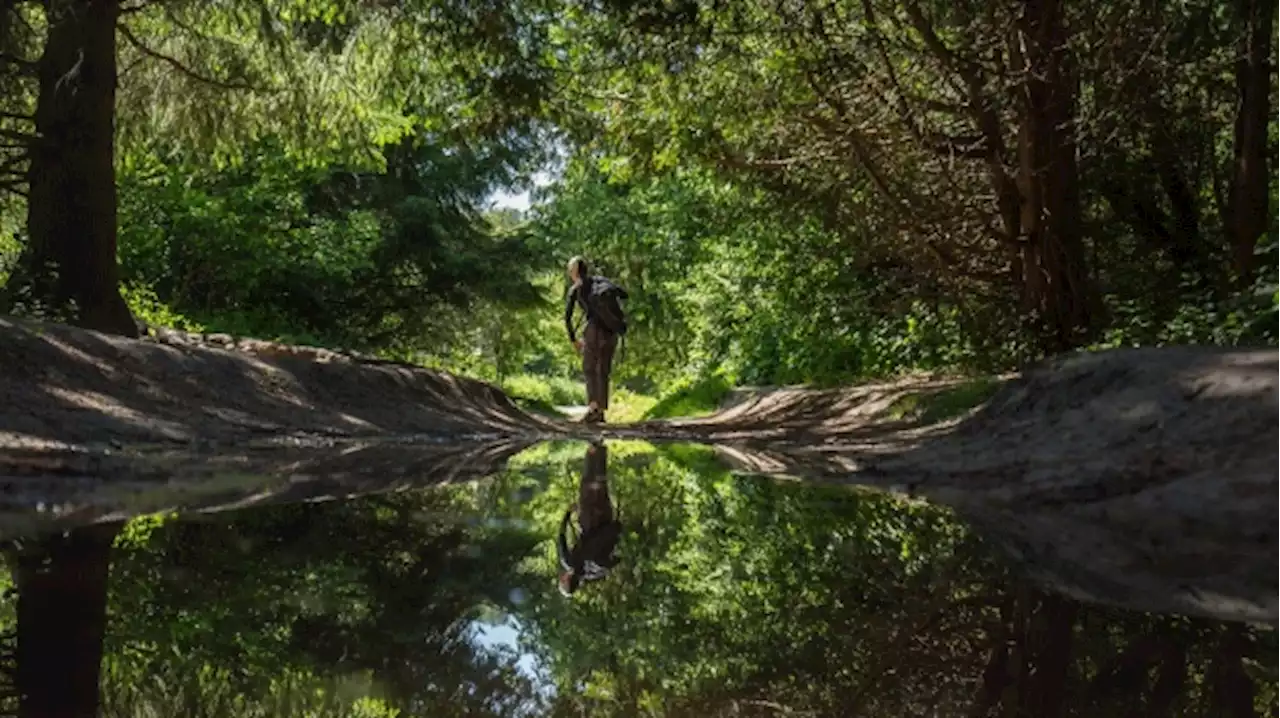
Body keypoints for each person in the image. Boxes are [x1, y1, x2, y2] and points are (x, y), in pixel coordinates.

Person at [564, 256, 628, 424]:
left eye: (570, 270)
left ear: (575, 271)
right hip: (611, 331)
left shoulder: (577, 288)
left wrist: (573, 339)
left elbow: (568, 317)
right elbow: (623, 294)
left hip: (593, 330)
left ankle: (593, 409)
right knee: (604, 370)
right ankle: (600, 411)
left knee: (590, 368)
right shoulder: (600, 281)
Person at [557, 441, 622, 596]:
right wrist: (568, 513)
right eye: (562, 581)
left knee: (600, 483)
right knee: (588, 482)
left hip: (607, 519)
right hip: (588, 519)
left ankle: (600, 449)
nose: (561, 578)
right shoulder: (568, 563)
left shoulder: (596, 574)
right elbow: (561, 537)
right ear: (567, 580)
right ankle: (593, 445)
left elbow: (616, 559)